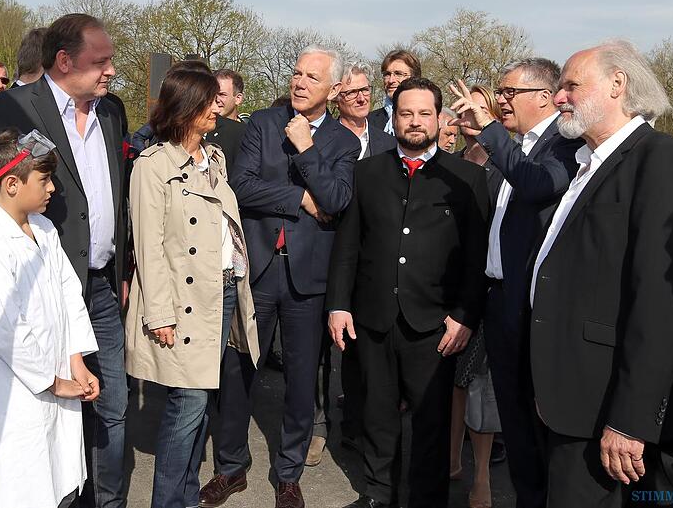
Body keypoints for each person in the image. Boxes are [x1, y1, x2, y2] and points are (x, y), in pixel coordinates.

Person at [0, 13, 129, 508]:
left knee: (112, 408)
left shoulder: (112, 113)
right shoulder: (10, 108)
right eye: (100, 61)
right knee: (40, 421)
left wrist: (121, 269)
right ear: (64, 61)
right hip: (34, 286)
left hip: (97, 287)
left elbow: (114, 195)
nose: (111, 71)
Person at [530, 40, 673, 507]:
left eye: (571, 85)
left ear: (617, 84)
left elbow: (662, 303)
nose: (559, 97)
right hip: (568, 399)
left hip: (607, 410)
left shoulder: (659, 158)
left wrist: (630, 420)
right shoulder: (585, 163)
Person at [201, 45, 360, 508]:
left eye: (312, 77)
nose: (300, 82)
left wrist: (306, 148)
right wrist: (300, 200)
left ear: (334, 89)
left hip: (308, 280)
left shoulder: (344, 142)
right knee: (237, 371)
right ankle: (231, 467)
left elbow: (336, 199)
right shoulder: (263, 124)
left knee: (301, 379)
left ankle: (289, 474)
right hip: (257, 269)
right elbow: (241, 185)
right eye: (296, 73)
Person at [327, 77, 489, 508]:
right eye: (406, 113)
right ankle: (378, 494)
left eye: (423, 113)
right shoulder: (367, 172)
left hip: (436, 325)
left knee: (432, 423)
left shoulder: (468, 178)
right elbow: (348, 245)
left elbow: (477, 258)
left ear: (439, 118)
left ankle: (427, 499)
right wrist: (339, 304)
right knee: (377, 416)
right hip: (373, 317)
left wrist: (465, 314)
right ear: (394, 118)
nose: (415, 121)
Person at [449, 58, 583, 508]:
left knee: (536, 423)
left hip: (531, 307)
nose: (501, 100)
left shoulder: (564, 145)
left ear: (544, 97)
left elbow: (537, 186)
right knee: (514, 420)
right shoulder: (515, 146)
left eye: (510, 93)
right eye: (500, 92)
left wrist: (490, 132)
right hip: (497, 301)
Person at [125, 69, 260, 508]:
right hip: (181, 302)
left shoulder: (214, 157)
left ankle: (182, 497)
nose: (217, 107)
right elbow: (148, 247)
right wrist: (159, 313)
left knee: (199, 407)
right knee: (187, 406)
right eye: (208, 101)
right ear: (186, 107)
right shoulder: (152, 165)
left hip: (221, 293)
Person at [0, 127, 100, 508]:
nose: (52, 188)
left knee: (57, 480)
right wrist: (51, 382)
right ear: (12, 184)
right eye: (44, 180)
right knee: (21, 486)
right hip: (17, 394)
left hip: (58, 377)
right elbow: (7, 331)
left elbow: (69, 293)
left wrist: (76, 360)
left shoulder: (44, 229)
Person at [307, 61, 396, 466]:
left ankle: (357, 427)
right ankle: (317, 425)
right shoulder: (324, 138)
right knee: (319, 348)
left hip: (371, 260)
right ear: (336, 97)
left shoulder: (387, 142)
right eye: (351, 92)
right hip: (325, 248)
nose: (360, 97)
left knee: (362, 350)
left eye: (365, 90)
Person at [449, 85, 505, 508]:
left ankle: (481, 476)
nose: (469, 117)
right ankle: (451, 459)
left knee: (479, 384)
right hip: (446, 285)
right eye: (464, 110)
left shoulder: (505, 165)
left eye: (478, 110)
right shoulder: (450, 161)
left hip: (486, 286)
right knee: (452, 381)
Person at [131, 60, 245, 175]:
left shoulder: (217, 156)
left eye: (221, 95)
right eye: (209, 100)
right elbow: (139, 136)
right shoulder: (152, 162)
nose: (216, 106)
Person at [368, 49, 421, 134]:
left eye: (398, 74)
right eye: (387, 74)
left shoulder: (427, 118)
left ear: (414, 78)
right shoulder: (368, 121)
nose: (391, 80)